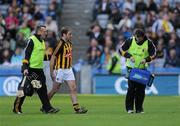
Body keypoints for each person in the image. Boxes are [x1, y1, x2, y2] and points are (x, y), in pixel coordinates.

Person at [13, 25, 59, 114]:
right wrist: (25, 67)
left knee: (42, 89)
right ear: (39, 32)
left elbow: (40, 55)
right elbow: (27, 54)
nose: (46, 33)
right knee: (24, 89)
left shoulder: (42, 41)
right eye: (44, 31)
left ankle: (47, 108)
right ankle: (16, 108)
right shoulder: (32, 40)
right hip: (30, 69)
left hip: (39, 69)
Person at [49, 26, 88, 114]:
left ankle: (77, 109)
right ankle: (45, 105)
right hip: (60, 70)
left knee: (73, 88)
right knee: (55, 89)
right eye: (69, 34)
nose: (71, 35)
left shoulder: (69, 43)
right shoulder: (59, 44)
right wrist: (51, 72)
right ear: (64, 34)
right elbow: (53, 57)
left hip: (68, 69)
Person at [120, 28, 156, 114]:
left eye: (139, 38)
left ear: (143, 37)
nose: (137, 39)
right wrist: (128, 56)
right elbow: (121, 49)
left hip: (142, 69)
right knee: (131, 88)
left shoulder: (149, 43)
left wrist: (146, 59)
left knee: (141, 89)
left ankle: (139, 108)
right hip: (131, 68)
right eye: (136, 37)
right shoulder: (130, 40)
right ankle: (129, 108)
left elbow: (154, 53)